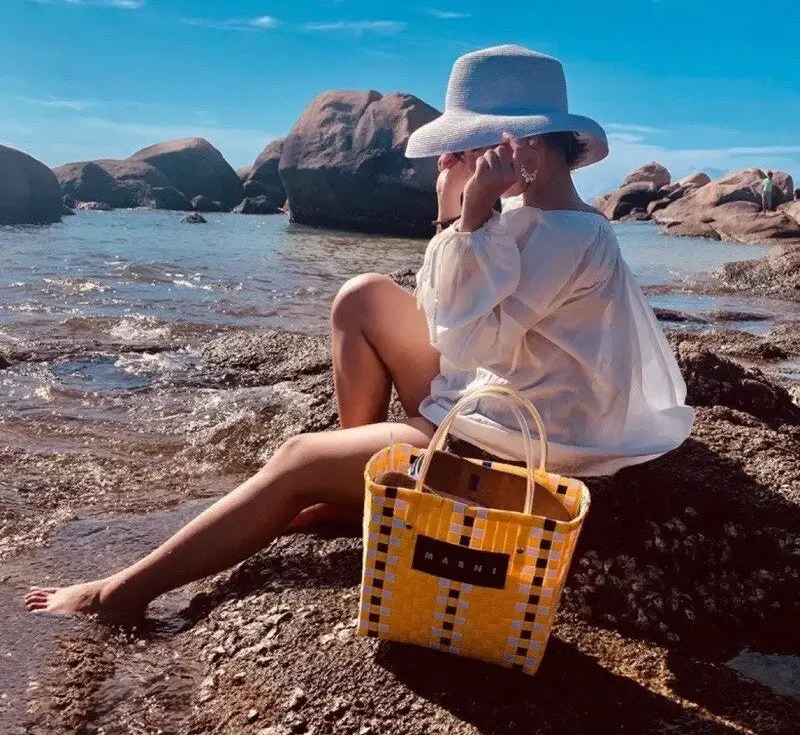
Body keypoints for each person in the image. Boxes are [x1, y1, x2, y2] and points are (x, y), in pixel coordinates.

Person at [25, 45, 693, 621]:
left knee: (296, 459)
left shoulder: (560, 236)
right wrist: (454, 214)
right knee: (364, 295)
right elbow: (442, 313)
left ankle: (119, 594)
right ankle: (359, 488)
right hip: (501, 402)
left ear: (528, 151)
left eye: (470, 147)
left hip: (520, 454)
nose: (457, 159)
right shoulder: (535, 218)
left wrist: (473, 215)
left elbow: (465, 342)